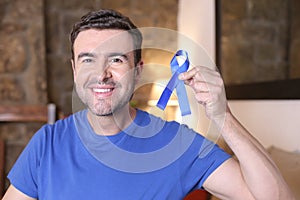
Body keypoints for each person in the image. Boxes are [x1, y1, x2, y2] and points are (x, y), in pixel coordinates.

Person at [2, 9, 294, 200]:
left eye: (116, 59)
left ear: (138, 71)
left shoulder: (177, 144)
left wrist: (223, 116)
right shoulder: (47, 143)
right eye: (88, 59)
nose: (101, 74)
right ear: (75, 70)